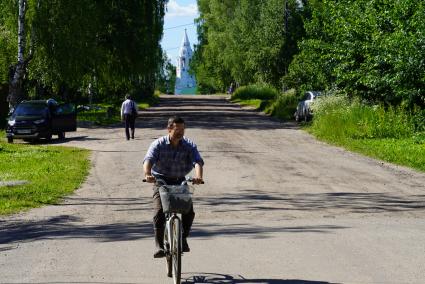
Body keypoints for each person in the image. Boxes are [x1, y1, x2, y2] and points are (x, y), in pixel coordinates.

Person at [143, 116, 204, 258]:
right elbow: (148, 160)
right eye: (177, 129)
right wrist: (147, 174)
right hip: (161, 181)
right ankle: (159, 246)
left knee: (189, 212)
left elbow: (197, 161)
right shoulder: (158, 144)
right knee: (159, 212)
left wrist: (199, 177)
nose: (181, 132)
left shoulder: (188, 144)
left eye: (183, 129)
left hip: (179, 180)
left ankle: (182, 237)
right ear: (169, 129)